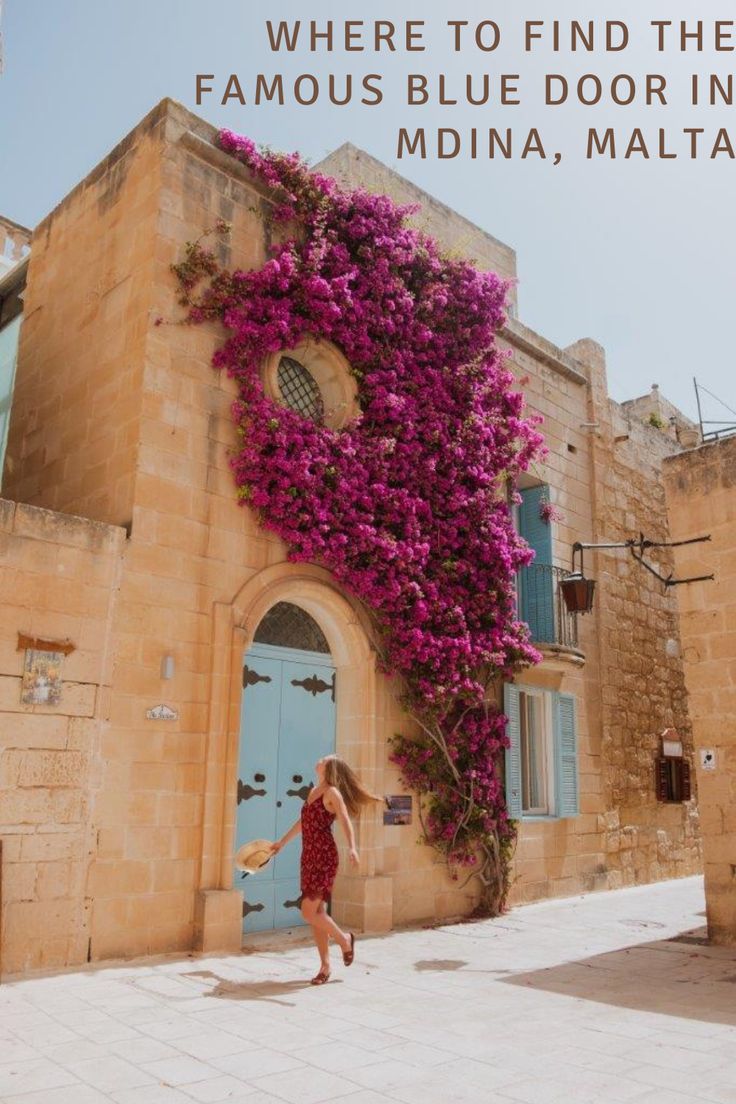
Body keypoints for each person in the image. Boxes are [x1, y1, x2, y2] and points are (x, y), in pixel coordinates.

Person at [271, 754, 379, 985]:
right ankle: (325, 967)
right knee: (318, 914)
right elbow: (303, 822)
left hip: (324, 857)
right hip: (308, 856)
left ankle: (345, 940)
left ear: (328, 768)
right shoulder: (313, 791)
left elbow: (345, 819)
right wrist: (282, 842)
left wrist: (352, 847)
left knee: (308, 911)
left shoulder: (332, 793)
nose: (318, 760)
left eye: (323, 759)